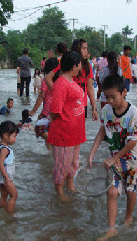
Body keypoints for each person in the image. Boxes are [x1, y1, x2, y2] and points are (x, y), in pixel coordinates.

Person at [88, 74, 137, 241]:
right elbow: (102, 132)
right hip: (115, 159)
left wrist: (114, 159)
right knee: (112, 192)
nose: (110, 101)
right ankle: (111, 229)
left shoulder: (133, 112)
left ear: (124, 92)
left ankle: (128, 217)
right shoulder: (105, 111)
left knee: (130, 190)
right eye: (107, 97)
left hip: (133, 158)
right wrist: (92, 152)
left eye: (114, 96)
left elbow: (132, 142)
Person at [47, 51, 86, 202]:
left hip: (75, 132)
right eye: (80, 64)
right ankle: (59, 191)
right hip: (64, 133)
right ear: (75, 66)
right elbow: (54, 112)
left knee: (74, 163)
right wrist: (66, 121)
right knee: (62, 164)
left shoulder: (71, 81)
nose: (81, 67)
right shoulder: (61, 84)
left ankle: (70, 185)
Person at [45, 39, 98, 121]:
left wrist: (94, 108)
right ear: (77, 49)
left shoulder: (88, 66)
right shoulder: (68, 64)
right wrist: (56, 93)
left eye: (87, 48)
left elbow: (90, 88)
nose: (86, 51)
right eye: (84, 48)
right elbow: (47, 78)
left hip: (82, 104)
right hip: (68, 105)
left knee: (80, 129)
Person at [29, 57, 60, 151]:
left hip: (47, 113)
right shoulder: (61, 81)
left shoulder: (46, 81)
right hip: (58, 113)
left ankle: (52, 149)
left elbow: (42, 96)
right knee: (51, 136)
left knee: (40, 129)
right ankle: (53, 152)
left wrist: (33, 111)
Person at [0, 121, 19, 215]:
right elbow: (1, 163)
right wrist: (7, 177)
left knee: (4, 195)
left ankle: (2, 212)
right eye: (14, 136)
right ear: (5, 135)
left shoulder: (0, 147)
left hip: (0, 177)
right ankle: (10, 215)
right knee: (14, 195)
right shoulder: (5, 149)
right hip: (5, 177)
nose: (15, 139)